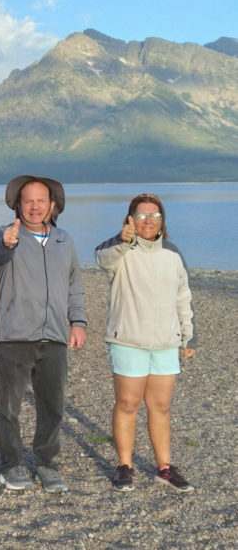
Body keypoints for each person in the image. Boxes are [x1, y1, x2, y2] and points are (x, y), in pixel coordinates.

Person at [0, 175, 87, 493]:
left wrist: (79, 322)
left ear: (52, 205)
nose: (34, 206)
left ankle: (46, 464)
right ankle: (11, 464)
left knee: (52, 406)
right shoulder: (5, 235)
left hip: (55, 336)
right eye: (27, 200)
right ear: (18, 204)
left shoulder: (64, 240)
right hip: (14, 336)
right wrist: (7, 241)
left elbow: (75, 286)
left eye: (40, 200)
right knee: (9, 407)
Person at [95, 193, 197, 493]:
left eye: (154, 216)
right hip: (128, 339)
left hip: (165, 342)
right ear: (130, 219)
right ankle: (124, 465)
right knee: (128, 404)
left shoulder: (173, 254)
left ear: (162, 221)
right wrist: (122, 239)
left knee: (161, 405)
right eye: (141, 216)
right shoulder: (120, 250)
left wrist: (188, 335)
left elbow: (183, 297)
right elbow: (101, 258)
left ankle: (164, 467)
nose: (148, 220)